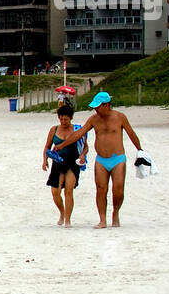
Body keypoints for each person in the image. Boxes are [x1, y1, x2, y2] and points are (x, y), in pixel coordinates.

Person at [52, 92, 144, 228]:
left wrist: (140, 150)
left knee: (118, 190)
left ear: (106, 105)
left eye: (98, 107)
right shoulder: (93, 119)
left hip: (118, 158)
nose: (96, 110)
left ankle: (116, 212)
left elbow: (131, 134)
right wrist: (61, 145)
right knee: (101, 189)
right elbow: (79, 133)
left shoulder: (120, 117)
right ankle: (102, 220)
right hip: (101, 159)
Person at [42, 103, 85, 227]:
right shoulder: (54, 129)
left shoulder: (77, 129)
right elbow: (47, 147)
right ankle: (62, 212)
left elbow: (85, 147)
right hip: (57, 163)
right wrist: (44, 161)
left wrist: (83, 156)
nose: (63, 121)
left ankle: (67, 219)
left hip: (72, 163)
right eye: (61, 118)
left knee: (69, 191)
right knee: (55, 192)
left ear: (71, 118)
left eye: (65, 119)